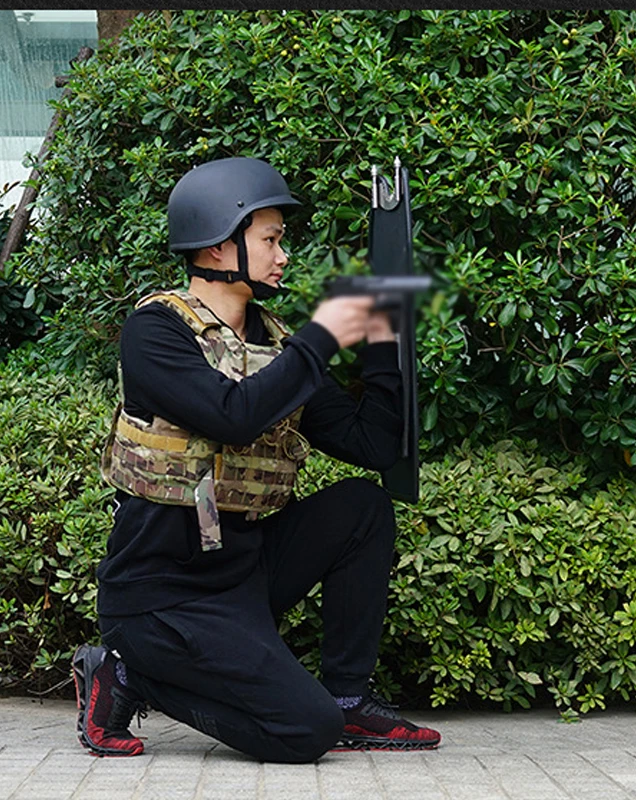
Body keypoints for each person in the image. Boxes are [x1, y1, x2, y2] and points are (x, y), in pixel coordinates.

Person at [72, 157, 441, 762]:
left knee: (363, 506)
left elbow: (372, 445)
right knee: (303, 733)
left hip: (241, 577)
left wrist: (384, 334)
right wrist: (324, 335)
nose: (282, 255)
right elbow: (232, 414)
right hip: (160, 598)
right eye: (269, 239)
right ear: (219, 248)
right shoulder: (157, 330)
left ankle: (350, 699)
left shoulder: (279, 345)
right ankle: (128, 672)